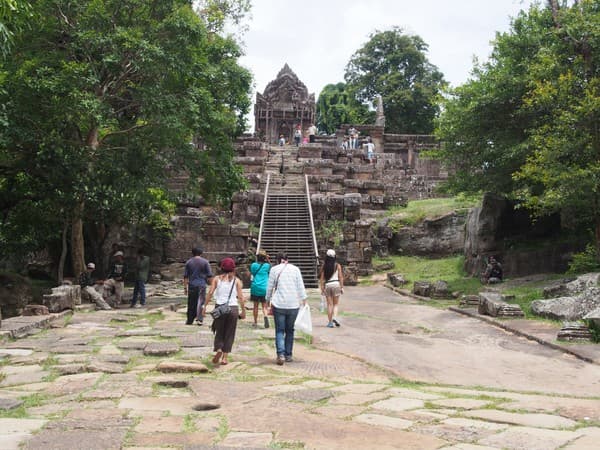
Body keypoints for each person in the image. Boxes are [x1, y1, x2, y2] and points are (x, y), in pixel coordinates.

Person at [266, 252, 307, 365]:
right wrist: (304, 299)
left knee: (279, 330)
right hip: (293, 304)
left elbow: (270, 287)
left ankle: (281, 354)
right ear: (287, 259)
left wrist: (267, 300)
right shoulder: (295, 269)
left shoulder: (274, 270)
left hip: (279, 304)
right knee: (290, 330)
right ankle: (288, 354)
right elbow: (300, 286)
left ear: (277, 260)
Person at [203, 257, 245, 365]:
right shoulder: (237, 281)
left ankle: (218, 349)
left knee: (219, 331)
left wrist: (204, 307)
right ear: (233, 269)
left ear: (221, 268)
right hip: (233, 308)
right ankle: (225, 358)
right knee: (230, 333)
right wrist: (243, 311)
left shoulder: (216, 279)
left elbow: (210, 293)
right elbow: (240, 297)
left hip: (220, 307)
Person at [183, 246, 213, 325]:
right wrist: (212, 286)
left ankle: (190, 319)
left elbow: (186, 276)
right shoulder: (205, 262)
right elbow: (209, 275)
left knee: (191, 302)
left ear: (192, 253)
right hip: (202, 284)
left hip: (192, 285)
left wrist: (185, 287)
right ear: (201, 253)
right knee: (201, 302)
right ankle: (199, 319)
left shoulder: (189, 262)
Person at [319, 249, 344, 328]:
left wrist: (322, 288)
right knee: (335, 304)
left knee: (329, 305)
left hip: (328, 285)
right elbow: (340, 277)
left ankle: (330, 323)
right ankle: (335, 318)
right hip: (336, 285)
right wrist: (342, 287)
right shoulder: (337, 265)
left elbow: (322, 279)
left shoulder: (324, 266)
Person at [250, 250, 272, 328]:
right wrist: (267, 259)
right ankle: (265, 316)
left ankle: (255, 322)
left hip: (255, 287)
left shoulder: (253, 265)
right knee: (264, 306)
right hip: (264, 287)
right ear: (265, 258)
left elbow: (252, 273)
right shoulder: (267, 266)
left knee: (255, 305)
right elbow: (271, 267)